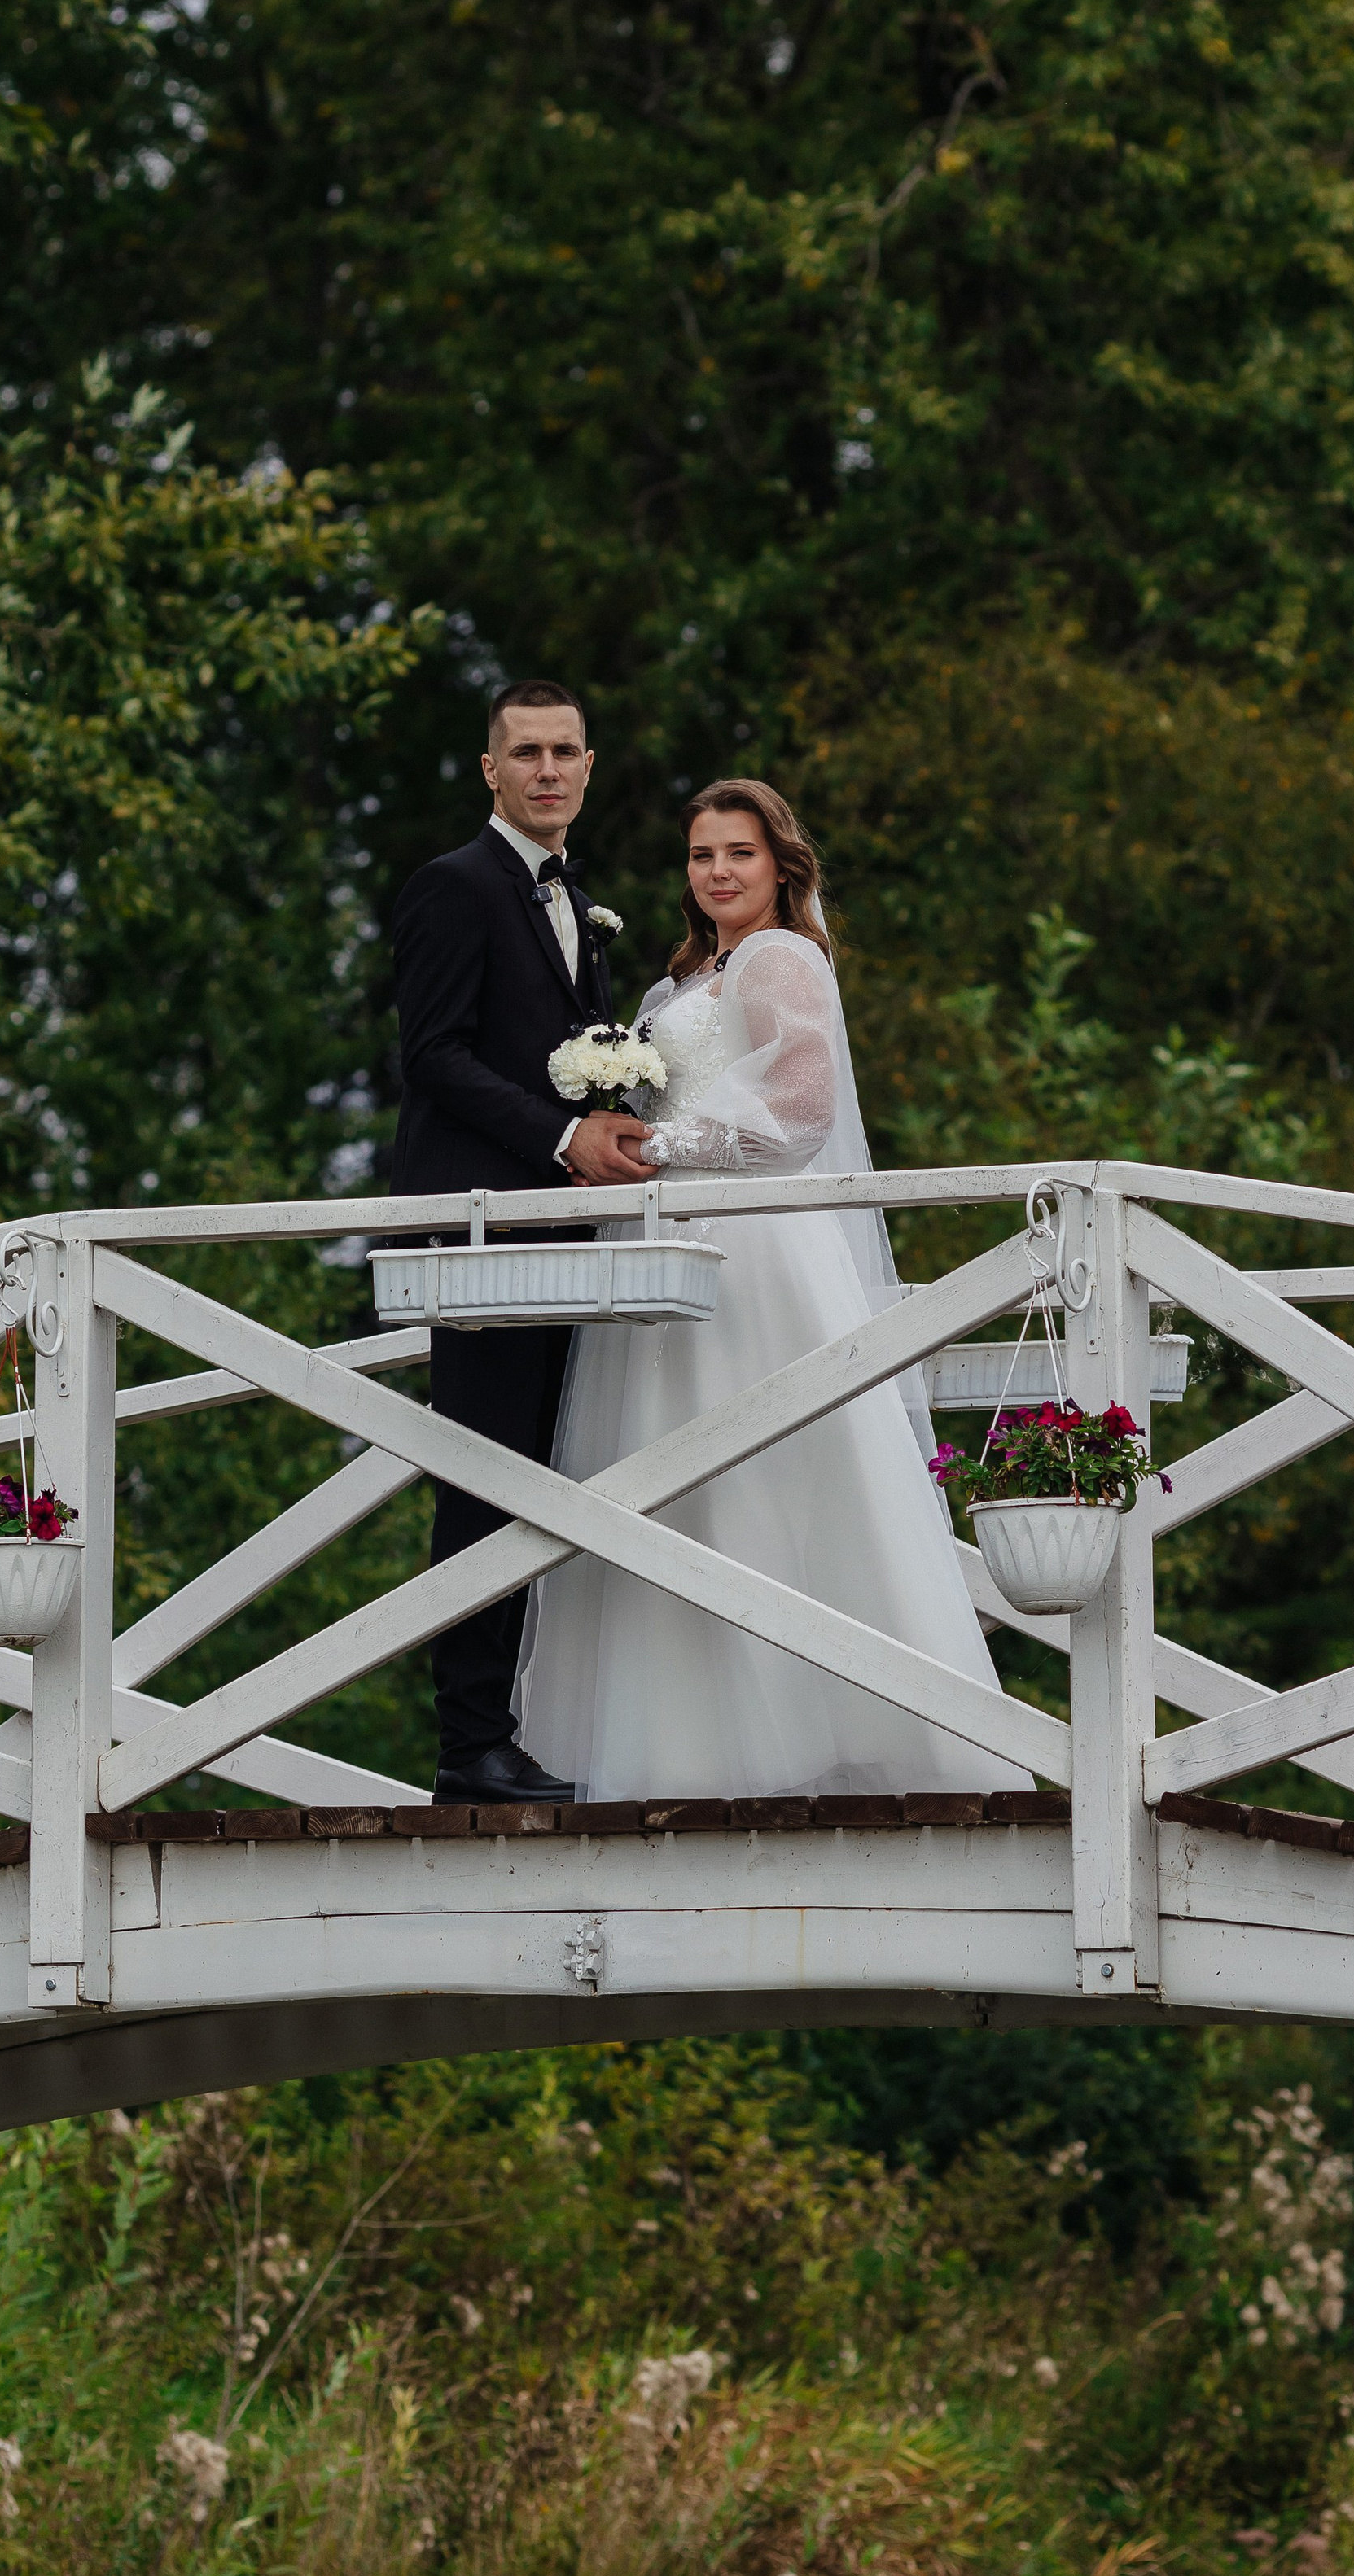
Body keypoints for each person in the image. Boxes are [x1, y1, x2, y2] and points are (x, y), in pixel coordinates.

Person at [518, 778, 1030, 1801]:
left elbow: (799, 1113)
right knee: (677, 1484)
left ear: (780, 866)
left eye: (739, 854)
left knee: (773, 1475)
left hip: (757, 1252)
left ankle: (833, 1731)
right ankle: (690, 1748)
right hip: (670, 1246)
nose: (717, 872)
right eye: (702, 854)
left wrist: (653, 1146)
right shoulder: (674, 985)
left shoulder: (784, 960)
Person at [388, 678, 645, 1804]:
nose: (548, 770)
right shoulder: (452, 888)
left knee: (544, 1475)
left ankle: (512, 1725)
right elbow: (433, 1057)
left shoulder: (575, 897)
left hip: (559, 1233)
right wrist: (562, 1141)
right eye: (526, 752)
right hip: (487, 1230)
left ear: (590, 768)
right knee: (483, 1483)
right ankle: (468, 1746)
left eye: (566, 751)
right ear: (489, 771)